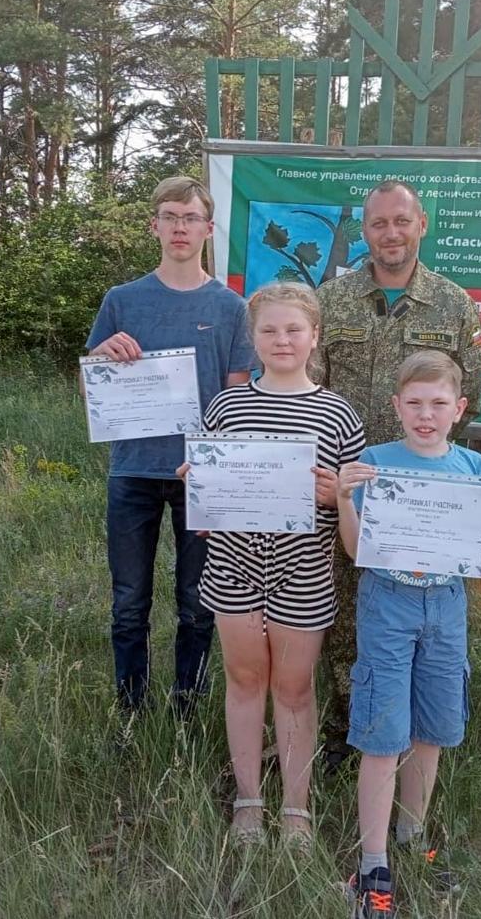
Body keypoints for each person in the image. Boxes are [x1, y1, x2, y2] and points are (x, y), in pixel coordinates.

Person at [336, 350, 481, 919]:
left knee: (433, 728)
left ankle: (411, 839)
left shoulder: (473, 470)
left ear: (460, 409)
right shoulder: (374, 461)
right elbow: (354, 548)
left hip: (446, 607)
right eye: (414, 403)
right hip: (387, 602)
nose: (426, 414)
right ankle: (373, 861)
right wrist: (346, 498)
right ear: (396, 406)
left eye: (438, 404)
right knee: (382, 731)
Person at [185, 282, 364, 847]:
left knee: (292, 689)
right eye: (269, 330)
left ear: (315, 337)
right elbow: (209, 501)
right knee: (243, 681)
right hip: (233, 565)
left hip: (303, 571)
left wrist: (337, 494)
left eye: (293, 329)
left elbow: (355, 510)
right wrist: (201, 491)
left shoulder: (339, 415)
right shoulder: (226, 406)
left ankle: (295, 808)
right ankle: (247, 800)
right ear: (252, 337)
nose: (281, 340)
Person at [316, 179, 481, 771]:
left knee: (418, 616)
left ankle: (415, 735)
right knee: (343, 612)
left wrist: (427, 483)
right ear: (364, 231)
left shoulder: (454, 304)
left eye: (401, 221)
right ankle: (347, 730)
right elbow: (312, 390)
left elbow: (468, 397)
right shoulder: (330, 301)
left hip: (421, 498)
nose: (390, 233)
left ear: (422, 226)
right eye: (378, 223)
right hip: (348, 488)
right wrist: (332, 481)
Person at [85, 175, 254, 717]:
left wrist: (222, 468)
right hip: (132, 471)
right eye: (170, 217)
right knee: (129, 603)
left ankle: (187, 707)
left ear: (208, 228)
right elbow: (89, 386)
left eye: (190, 218)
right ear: (153, 225)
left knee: (197, 605)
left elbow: (238, 396)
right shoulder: (121, 300)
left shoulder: (231, 307)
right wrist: (99, 357)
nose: (180, 228)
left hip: (199, 474)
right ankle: (130, 710)